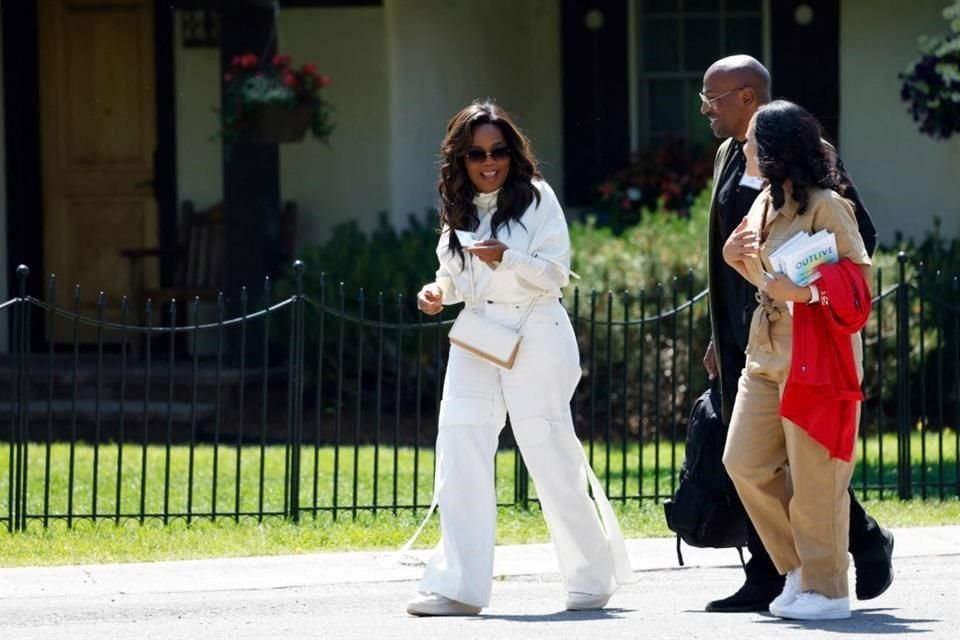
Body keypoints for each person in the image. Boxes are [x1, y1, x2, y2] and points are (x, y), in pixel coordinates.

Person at [406, 100, 634, 617]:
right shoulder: (459, 207)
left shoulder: (538, 200)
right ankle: (459, 587)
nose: (489, 162)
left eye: (499, 151)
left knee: (548, 448)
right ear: (459, 160)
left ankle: (591, 577)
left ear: (513, 152)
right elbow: (455, 279)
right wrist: (436, 291)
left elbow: (556, 274)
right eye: (476, 154)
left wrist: (508, 257)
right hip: (480, 333)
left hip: (536, 329)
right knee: (460, 444)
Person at [700, 55, 894, 612]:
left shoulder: (826, 200)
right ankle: (796, 572)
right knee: (745, 462)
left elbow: (855, 278)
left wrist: (806, 292)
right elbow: (761, 271)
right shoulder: (760, 196)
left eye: (714, 98)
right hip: (760, 346)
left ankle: (825, 585)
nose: (747, 151)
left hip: (814, 349)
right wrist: (739, 264)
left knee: (815, 479)